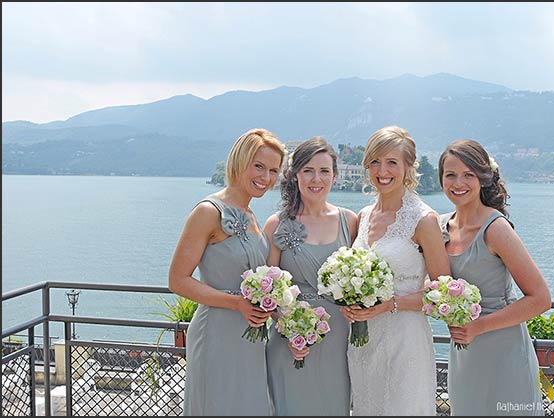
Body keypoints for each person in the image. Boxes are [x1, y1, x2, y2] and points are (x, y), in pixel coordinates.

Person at [168, 128, 285, 416]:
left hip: (252, 336)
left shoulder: (251, 215)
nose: (266, 177)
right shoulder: (208, 212)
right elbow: (177, 280)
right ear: (239, 162)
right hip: (217, 333)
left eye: (273, 170)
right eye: (258, 166)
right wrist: (236, 303)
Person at [341, 125, 451, 415]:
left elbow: (444, 295)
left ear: (408, 167)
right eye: (375, 161)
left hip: (405, 340)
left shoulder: (423, 219)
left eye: (392, 162)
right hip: (364, 342)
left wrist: (389, 305)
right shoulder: (363, 216)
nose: (382, 170)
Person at [438, 139, 552, 416]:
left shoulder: (496, 228)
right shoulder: (440, 226)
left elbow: (541, 299)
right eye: (450, 174)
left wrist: (479, 326)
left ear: (482, 178)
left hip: (504, 350)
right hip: (464, 352)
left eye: (468, 175)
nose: (458, 183)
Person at [263, 137, 358, 416]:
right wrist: (291, 332)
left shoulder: (350, 221)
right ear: (295, 176)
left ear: (335, 176)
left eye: (324, 171)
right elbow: (270, 295)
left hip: (339, 340)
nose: (317, 179)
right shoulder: (277, 225)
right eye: (308, 170)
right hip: (289, 341)